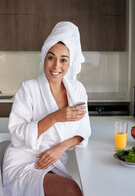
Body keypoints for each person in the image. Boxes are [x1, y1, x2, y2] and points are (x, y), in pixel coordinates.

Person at [3, 22, 91, 196]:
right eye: (51, 57)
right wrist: (55, 117)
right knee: (72, 190)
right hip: (24, 161)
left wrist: (60, 148)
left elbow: (83, 131)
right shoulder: (28, 88)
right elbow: (17, 134)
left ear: (70, 62)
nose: (56, 66)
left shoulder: (77, 90)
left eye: (63, 60)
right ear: (44, 57)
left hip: (55, 160)